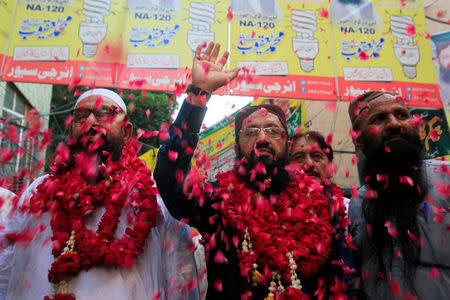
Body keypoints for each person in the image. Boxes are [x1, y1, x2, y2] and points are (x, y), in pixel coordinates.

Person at [155, 42, 356, 299]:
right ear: (238, 148)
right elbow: (170, 178)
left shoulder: (324, 201)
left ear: (286, 142)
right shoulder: (217, 201)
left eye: (272, 130)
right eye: (251, 132)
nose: (262, 138)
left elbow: (345, 283)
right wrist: (198, 95)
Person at [0, 88, 201, 300]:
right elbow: (6, 264)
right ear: (70, 131)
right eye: (81, 116)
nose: (91, 121)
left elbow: (180, 277)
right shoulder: (38, 191)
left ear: (126, 132)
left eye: (105, 112)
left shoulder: (151, 196)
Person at [347, 91, 450, 299]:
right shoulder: (357, 205)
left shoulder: (446, 178)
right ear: (358, 140)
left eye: (402, 115)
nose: (395, 124)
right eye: (379, 119)